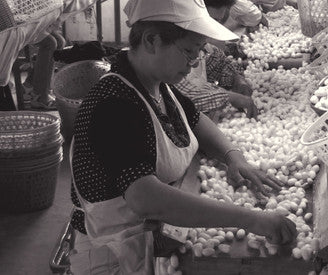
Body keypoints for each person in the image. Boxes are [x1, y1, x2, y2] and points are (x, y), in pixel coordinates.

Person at [68, 0, 297, 273]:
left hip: (149, 241)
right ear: (152, 41)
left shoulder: (157, 84)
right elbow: (145, 197)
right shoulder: (114, 104)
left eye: (198, 52)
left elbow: (196, 120)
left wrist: (233, 157)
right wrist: (251, 220)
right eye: (189, 52)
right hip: (112, 257)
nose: (193, 63)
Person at [174, 0, 258, 120]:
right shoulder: (168, 58)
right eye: (210, 21)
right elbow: (186, 96)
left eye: (218, 21)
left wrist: (237, 79)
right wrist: (232, 98)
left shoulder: (204, 48)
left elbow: (222, 63)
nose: (211, 30)